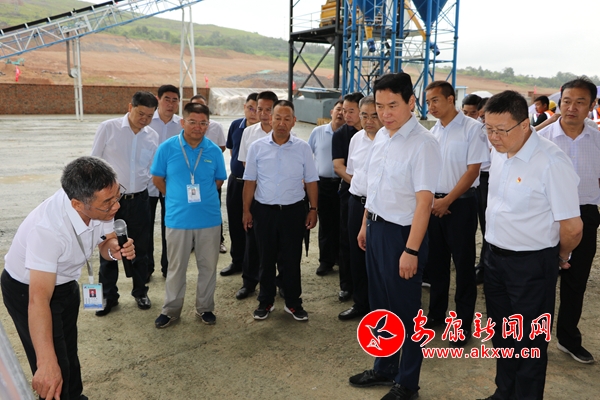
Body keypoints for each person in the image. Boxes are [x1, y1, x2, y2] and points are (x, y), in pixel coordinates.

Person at [1, 156, 135, 400]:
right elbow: (38, 300)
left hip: (65, 282)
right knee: (53, 366)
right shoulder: (48, 229)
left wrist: (114, 250)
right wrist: (45, 363)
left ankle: (74, 395)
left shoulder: (100, 203)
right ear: (77, 204)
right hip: (28, 290)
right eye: (108, 202)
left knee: (68, 354)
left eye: (117, 196)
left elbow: (106, 241)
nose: (116, 206)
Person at [478, 91, 582, 400]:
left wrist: (559, 256)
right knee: (502, 335)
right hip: (494, 259)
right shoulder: (501, 150)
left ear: (525, 125)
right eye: (488, 128)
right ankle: (504, 393)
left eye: (501, 130)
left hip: (531, 266)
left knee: (529, 343)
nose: (493, 137)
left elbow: (572, 227)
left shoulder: (551, 162)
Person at [348, 73, 442, 400]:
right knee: (381, 306)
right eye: (380, 105)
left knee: (407, 312)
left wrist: (411, 251)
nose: (385, 113)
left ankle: (407, 383)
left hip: (402, 236)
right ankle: (384, 367)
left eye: (393, 105)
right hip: (376, 229)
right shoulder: (382, 138)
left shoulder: (423, 144)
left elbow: (424, 202)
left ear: (411, 102)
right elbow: (373, 188)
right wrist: (366, 224)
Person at [539, 77, 600, 364]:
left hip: (584, 214)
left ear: (592, 105)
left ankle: (568, 339)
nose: (572, 108)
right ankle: (536, 340)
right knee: (541, 280)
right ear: (559, 102)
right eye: (566, 101)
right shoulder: (541, 140)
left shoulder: (597, 140)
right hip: (547, 214)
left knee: (576, 281)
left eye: (580, 102)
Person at [422, 81, 488, 347]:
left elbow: (473, 171)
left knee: (463, 265)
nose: (431, 106)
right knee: (436, 263)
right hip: (434, 204)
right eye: (428, 102)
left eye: (435, 100)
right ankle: (436, 314)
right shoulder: (433, 132)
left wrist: (447, 200)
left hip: (460, 204)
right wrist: (433, 201)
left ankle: (462, 324)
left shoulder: (473, 129)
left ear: (451, 99)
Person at [151, 102, 227, 328]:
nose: (198, 127)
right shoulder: (166, 148)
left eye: (203, 123)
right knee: (176, 268)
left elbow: (219, 180)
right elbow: (157, 179)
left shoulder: (214, 150)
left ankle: (205, 308)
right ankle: (171, 310)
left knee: (208, 267)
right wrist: (176, 197)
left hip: (209, 219)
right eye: (193, 122)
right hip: (177, 219)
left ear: (208, 125)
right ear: (183, 122)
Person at [242, 100, 319, 321]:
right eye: (278, 118)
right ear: (270, 118)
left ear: (294, 121)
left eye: (287, 119)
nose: (281, 123)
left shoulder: (303, 148)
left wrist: (313, 209)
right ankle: (265, 301)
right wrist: (246, 211)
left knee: (292, 259)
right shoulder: (257, 147)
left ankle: (293, 303)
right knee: (265, 259)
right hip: (264, 211)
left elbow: (311, 181)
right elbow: (249, 181)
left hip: (294, 211)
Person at [91, 91, 158, 316]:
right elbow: (93, 162)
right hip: (110, 202)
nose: (145, 119)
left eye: (150, 116)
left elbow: (150, 168)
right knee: (108, 247)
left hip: (139, 200)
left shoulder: (152, 136)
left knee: (140, 249)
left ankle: (140, 291)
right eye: (141, 114)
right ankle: (108, 297)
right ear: (130, 107)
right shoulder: (108, 128)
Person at [226, 90, 278, 289]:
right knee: (250, 235)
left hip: (274, 196)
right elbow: (246, 165)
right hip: (252, 190)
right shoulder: (248, 133)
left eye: (268, 110)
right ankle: (248, 281)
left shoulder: (285, 133)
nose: (263, 114)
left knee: (273, 240)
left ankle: (276, 281)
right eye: (260, 109)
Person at [338, 95, 382, 321]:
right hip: (356, 203)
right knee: (355, 254)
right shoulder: (356, 139)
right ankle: (360, 303)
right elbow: (352, 172)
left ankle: (379, 307)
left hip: (380, 208)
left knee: (379, 258)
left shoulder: (389, 141)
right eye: (364, 115)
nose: (369, 121)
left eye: (374, 115)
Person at [223, 92, 261, 300]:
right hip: (236, 182)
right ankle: (237, 261)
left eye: (258, 108)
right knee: (236, 224)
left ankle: (254, 269)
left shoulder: (266, 130)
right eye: (250, 108)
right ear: (245, 107)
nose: (254, 112)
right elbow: (232, 151)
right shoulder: (236, 126)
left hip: (256, 187)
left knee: (253, 228)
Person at [330, 92, 364, 305]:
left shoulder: (378, 132)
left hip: (372, 196)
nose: (346, 115)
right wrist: (359, 185)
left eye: (351, 111)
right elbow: (338, 166)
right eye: (344, 110)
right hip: (349, 193)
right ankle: (347, 285)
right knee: (347, 240)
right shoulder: (341, 134)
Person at [148, 84, 182, 279]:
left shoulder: (182, 125)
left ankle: (168, 267)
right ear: (158, 99)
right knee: (145, 229)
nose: (170, 104)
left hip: (172, 186)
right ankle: (146, 269)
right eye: (166, 99)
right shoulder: (147, 121)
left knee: (170, 228)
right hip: (147, 184)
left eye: (174, 100)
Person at [308, 100, 344, 281]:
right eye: (338, 109)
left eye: (345, 111)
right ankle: (326, 261)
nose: (341, 113)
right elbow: (308, 156)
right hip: (323, 184)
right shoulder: (318, 132)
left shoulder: (350, 134)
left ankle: (340, 258)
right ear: (331, 111)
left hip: (344, 183)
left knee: (342, 223)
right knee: (326, 223)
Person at [190, 94, 228, 254]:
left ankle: (218, 240)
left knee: (213, 209)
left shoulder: (216, 127)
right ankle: (192, 241)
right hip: (191, 180)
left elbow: (222, 147)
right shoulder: (186, 125)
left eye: (202, 106)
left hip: (210, 179)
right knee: (192, 210)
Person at [475, 97, 490, 284]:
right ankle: (483, 265)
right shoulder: (479, 129)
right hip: (480, 179)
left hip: (493, 177)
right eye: (482, 116)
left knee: (490, 223)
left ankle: (486, 266)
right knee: (484, 224)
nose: (485, 120)